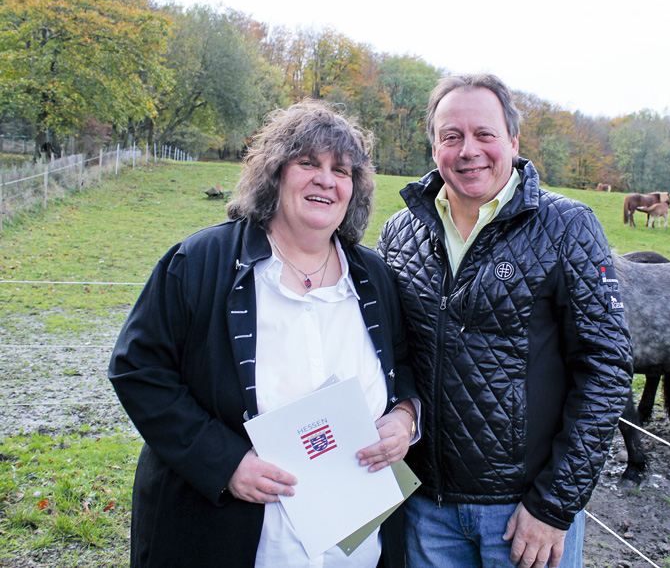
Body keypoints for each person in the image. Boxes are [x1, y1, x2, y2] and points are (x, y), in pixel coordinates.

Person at [109, 99, 418, 568]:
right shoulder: (199, 262)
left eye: (342, 170)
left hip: (354, 545)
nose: (326, 180)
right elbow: (139, 369)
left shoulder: (374, 276)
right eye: (308, 163)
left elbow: (405, 363)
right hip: (228, 537)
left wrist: (405, 416)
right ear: (274, 173)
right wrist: (225, 463)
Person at [377, 74, 633, 568]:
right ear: (434, 147)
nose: (468, 150)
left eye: (484, 134)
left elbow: (607, 369)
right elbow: (393, 352)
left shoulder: (566, 226)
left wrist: (555, 505)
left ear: (513, 142)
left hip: (523, 515)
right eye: (451, 136)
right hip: (427, 508)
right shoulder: (401, 232)